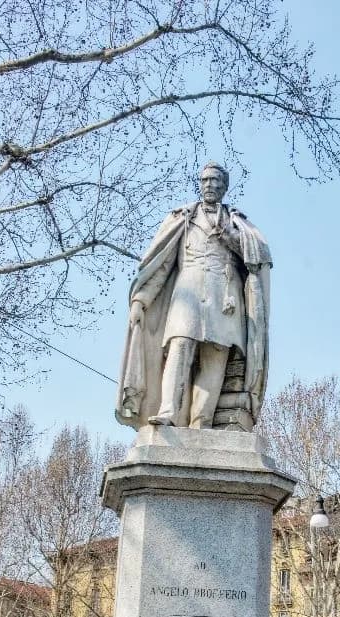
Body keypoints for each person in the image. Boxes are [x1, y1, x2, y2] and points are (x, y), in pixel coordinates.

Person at [116, 162, 272, 432]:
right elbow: (161, 266)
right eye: (205, 180)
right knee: (179, 349)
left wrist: (231, 236)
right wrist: (141, 300)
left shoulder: (237, 223)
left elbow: (255, 260)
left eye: (215, 181)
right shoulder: (182, 219)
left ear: (224, 187)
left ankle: (202, 423)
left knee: (215, 360)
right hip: (186, 296)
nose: (210, 185)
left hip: (225, 299)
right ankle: (168, 412)